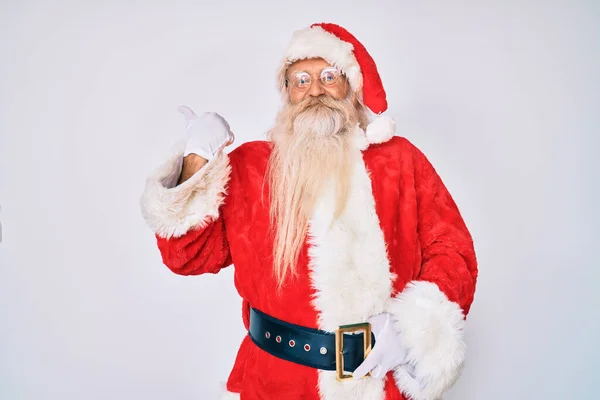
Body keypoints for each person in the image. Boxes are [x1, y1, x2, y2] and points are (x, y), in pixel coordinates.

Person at [140, 22, 478, 400]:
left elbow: (453, 250)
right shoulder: (251, 167)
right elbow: (187, 256)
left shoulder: (400, 161)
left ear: (352, 87)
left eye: (328, 76)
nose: (315, 90)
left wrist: (412, 328)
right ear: (287, 92)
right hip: (276, 383)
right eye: (301, 79)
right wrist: (196, 161)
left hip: (381, 383)